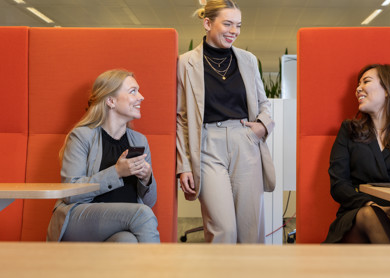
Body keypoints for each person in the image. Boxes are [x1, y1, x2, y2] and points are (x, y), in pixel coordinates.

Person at [176, 0, 275, 244]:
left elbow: (264, 103)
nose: (234, 31)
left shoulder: (248, 60)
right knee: (223, 229)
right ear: (208, 23)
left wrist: (262, 126)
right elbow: (182, 118)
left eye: (238, 25)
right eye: (227, 24)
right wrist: (184, 165)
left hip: (245, 140)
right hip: (207, 145)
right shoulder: (185, 63)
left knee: (249, 229)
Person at [47, 69, 160, 243]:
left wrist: (147, 178)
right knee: (142, 214)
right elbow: (70, 193)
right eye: (133, 91)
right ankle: (160, 270)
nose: (141, 97)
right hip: (79, 219)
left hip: (122, 224)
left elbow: (149, 202)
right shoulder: (82, 136)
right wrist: (117, 172)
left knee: (127, 241)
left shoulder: (140, 140)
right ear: (110, 101)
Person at [324, 64, 390, 244]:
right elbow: (338, 185)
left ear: (388, 89)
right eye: (358, 84)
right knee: (370, 215)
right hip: (358, 213)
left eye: (366, 81)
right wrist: (372, 205)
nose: (358, 89)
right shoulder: (349, 130)